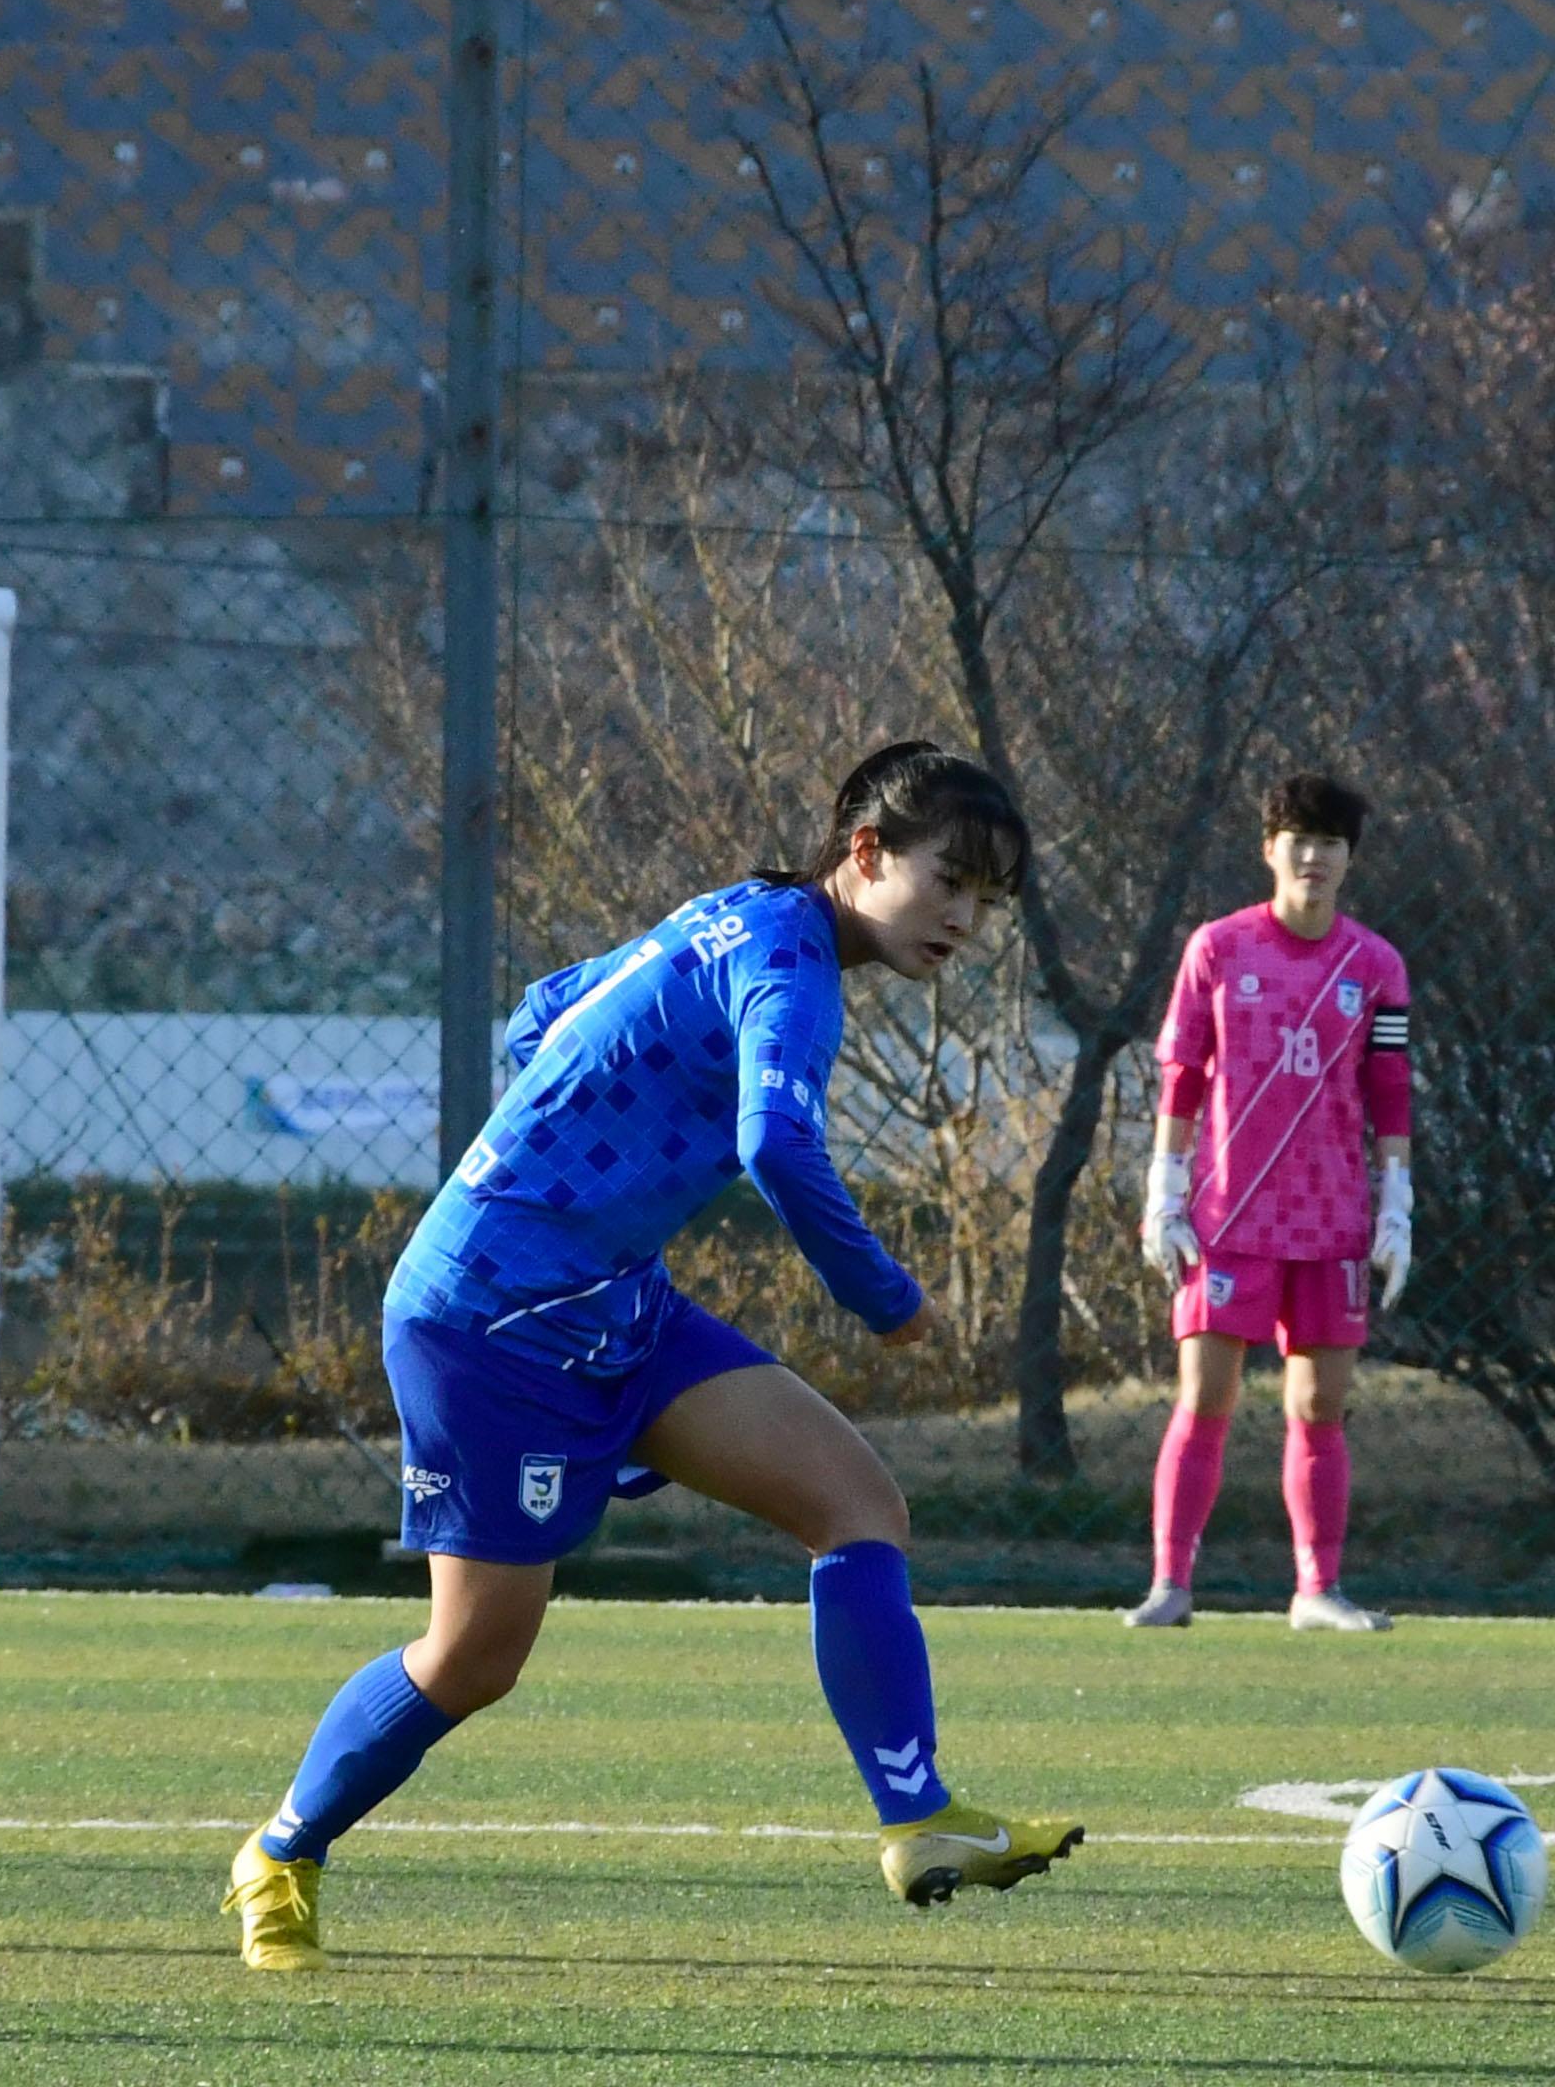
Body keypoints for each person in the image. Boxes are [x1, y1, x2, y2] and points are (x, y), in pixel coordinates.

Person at [224, 743, 1082, 1972]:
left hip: (613, 1301)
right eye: (950, 878)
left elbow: (541, 1012)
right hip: (490, 1324)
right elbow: (779, 1142)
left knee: (856, 1505)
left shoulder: (737, 914)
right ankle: (282, 1851)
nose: (965, 915)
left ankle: (919, 1817)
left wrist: (589, 1161)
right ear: (866, 853)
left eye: (988, 898)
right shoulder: (791, 963)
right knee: (476, 1655)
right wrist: (882, 1293)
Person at [1124, 773, 1413, 1634]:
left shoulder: (1376, 965)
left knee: (1320, 1407)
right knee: (1205, 1396)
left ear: (1349, 859)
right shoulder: (1217, 949)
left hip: (1331, 1220)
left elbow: (1391, 1091)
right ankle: (1171, 1586)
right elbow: (1181, 1076)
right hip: (1226, 1217)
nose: (1314, 857)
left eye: (1332, 843)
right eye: (1299, 838)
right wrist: (1163, 1192)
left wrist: (1396, 1204)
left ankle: (1316, 1590)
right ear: (1269, 848)